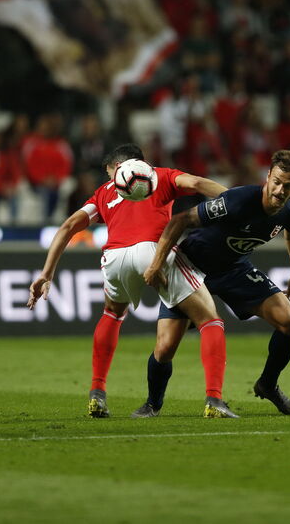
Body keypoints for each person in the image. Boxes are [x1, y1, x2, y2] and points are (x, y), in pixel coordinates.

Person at [26, 144, 236, 418]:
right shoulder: (161, 175)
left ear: (118, 166)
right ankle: (214, 400)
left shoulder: (103, 193)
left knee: (112, 314)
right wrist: (235, 199)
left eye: (110, 171)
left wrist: (47, 271)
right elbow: (196, 183)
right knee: (210, 319)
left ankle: (97, 394)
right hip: (153, 251)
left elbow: (67, 226)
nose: (111, 178)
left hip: (113, 259)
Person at [134, 149, 290, 418]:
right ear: (268, 177)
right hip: (192, 265)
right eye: (276, 181)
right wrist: (157, 263)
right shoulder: (236, 201)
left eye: (288, 185)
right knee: (166, 346)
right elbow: (181, 220)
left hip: (233, 269)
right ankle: (152, 404)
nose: (279, 190)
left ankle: (268, 384)